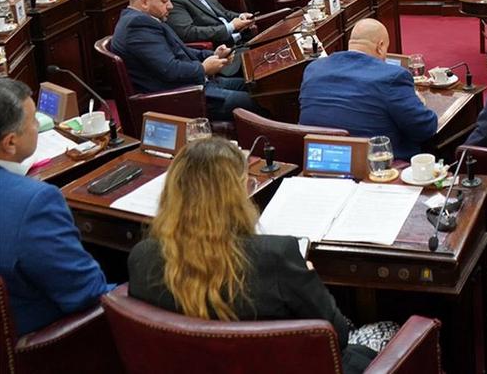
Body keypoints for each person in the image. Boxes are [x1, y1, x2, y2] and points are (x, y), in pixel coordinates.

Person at [128, 138, 390, 373]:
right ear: (239, 192)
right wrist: (307, 276)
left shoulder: (142, 258)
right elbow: (338, 336)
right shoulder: (277, 257)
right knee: (388, 330)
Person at [0, 78, 113, 336]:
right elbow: (87, 294)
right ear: (10, 143)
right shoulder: (35, 203)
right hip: (42, 342)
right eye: (34, 122)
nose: (38, 126)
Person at [111, 0, 260, 121]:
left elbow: (179, 50)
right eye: (165, 1)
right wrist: (203, 68)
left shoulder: (144, 19)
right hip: (183, 96)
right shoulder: (136, 26)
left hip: (197, 84)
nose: (170, 6)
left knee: (261, 86)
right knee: (259, 101)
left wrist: (212, 54)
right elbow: (170, 70)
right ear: (144, 2)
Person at [300, 19, 437, 161]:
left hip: (318, 161)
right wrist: (419, 102)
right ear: (381, 46)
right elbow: (425, 129)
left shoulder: (313, 69)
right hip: (377, 168)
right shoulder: (393, 77)